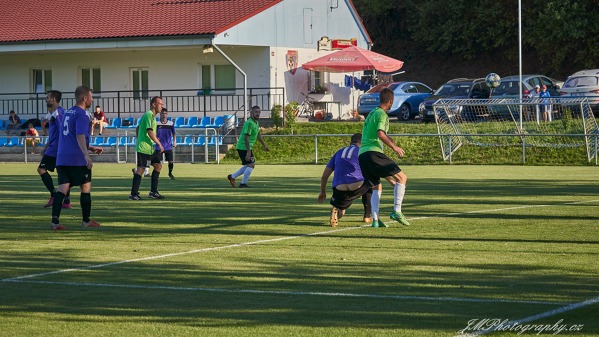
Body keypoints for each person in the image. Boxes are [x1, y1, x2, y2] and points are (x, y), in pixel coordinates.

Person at [51, 86, 103, 230]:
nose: (92, 99)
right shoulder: (82, 114)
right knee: (85, 186)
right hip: (76, 158)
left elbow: (69, 136)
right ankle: (86, 220)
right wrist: (87, 155)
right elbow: (79, 135)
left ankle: (54, 222)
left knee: (62, 188)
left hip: (62, 158)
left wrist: (90, 147)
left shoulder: (67, 113)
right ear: (84, 98)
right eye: (91, 97)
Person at [358, 87, 410, 228]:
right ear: (391, 101)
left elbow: (378, 134)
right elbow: (381, 134)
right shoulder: (382, 114)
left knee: (376, 186)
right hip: (373, 152)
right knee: (402, 178)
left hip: (362, 155)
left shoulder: (371, 113)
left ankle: (375, 220)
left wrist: (391, 141)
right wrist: (395, 147)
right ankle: (397, 211)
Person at [318, 133, 372, 227]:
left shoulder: (339, 152)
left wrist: (322, 192)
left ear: (351, 142)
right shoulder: (362, 151)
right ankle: (367, 216)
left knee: (341, 210)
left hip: (339, 186)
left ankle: (336, 210)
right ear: (362, 143)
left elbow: (324, 176)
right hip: (357, 184)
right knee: (370, 182)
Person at [38, 90, 71, 209]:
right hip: (55, 147)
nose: (46, 99)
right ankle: (66, 201)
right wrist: (46, 146)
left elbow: (64, 131)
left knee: (41, 169)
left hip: (57, 148)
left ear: (53, 99)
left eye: (47, 97)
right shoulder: (55, 113)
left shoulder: (59, 113)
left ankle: (53, 196)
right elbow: (55, 133)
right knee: (62, 173)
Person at [129, 96, 165, 200]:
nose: (162, 106)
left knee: (158, 166)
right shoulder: (149, 115)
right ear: (154, 104)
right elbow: (149, 131)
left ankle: (153, 192)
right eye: (160, 104)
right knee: (141, 169)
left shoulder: (151, 116)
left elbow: (138, 128)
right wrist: (159, 143)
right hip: (144, 148)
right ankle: (133, 194)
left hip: (149, 147)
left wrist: (140, 137)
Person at [227, 105, 269, 188]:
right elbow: (246, 138)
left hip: (246, 147)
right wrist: (248, 152)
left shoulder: (256, 123)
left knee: (248, 165)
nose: (258, 114)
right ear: (251, 113)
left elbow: (258, 135)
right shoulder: (249, 123)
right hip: (243, 147)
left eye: (259, 112)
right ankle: (242, 184)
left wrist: (264, 145)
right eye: (256, 112)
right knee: (251, 165)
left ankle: (232, 177)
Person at [155, 108, 177, 180]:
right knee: (158, 162)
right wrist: (156, 138)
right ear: (160, 114)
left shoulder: (170, 123)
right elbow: (154, 133)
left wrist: (174, 141)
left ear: (167, 114)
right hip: (159, 146)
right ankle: (157, 175)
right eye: (162, 113)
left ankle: (170, 173)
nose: (164, 115)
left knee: (170, 161)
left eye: (165, 113)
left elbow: (174, 133)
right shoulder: (157, 123)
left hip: (168, 146)